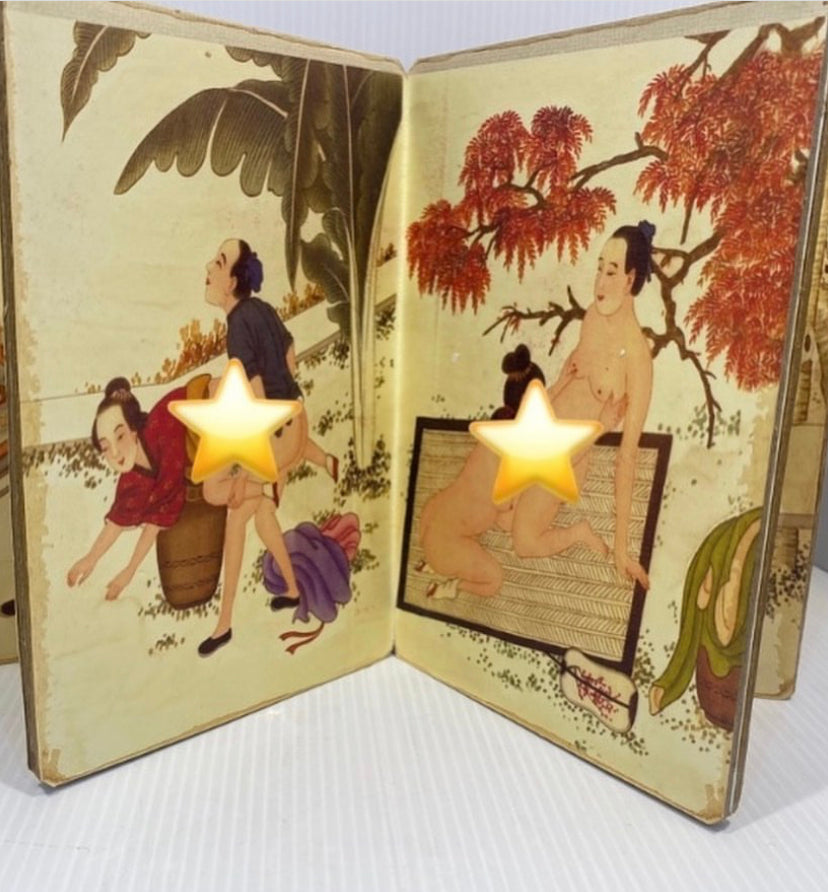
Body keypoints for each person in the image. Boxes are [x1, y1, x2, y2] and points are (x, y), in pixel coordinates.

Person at [419, 222, 654, 599]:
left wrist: (622, 550)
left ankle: (579, 532)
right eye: (598, 267)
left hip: (566, 458)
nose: (599, 282)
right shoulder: (593, 319)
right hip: (533, 435)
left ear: (630, 279)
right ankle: (462, 546)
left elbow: (627, 458)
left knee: (524, 542)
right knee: (491, 504)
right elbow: (566, 381)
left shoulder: (639, 360)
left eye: (611, 272)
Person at [198, 238, 338, 655]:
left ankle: (224, 624)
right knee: (262, 518)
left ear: (232, 281)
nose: (209, 267)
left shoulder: (239, 325)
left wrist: (250, 467)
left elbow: (257, 396)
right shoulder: (261, 309)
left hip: (275, 432)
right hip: (294, 418)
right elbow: (290, 356)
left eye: (219, 261)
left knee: (231, 511)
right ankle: (292, 589)